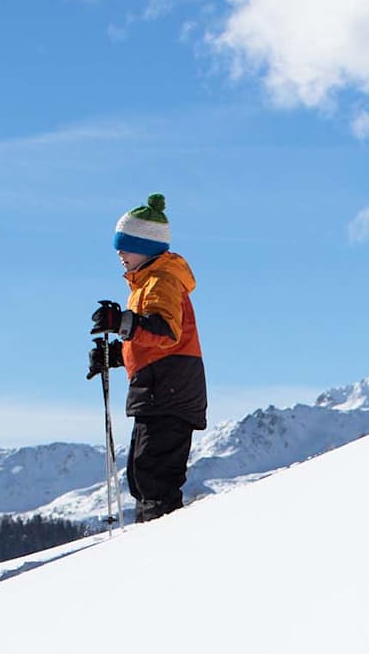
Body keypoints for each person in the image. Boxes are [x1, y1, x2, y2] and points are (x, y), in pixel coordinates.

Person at [89, 193, 208, 523]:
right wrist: (116, 355)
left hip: (169, 391)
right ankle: (150, 535)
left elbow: (166, 333)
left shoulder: (161, 281)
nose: (120, 253)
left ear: (148, 246)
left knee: (154, 475)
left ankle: (159, 539)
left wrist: (123, 324)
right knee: (142, 474)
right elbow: (149, 342)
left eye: (126, 245)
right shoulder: (145, 285)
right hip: (159, 391)